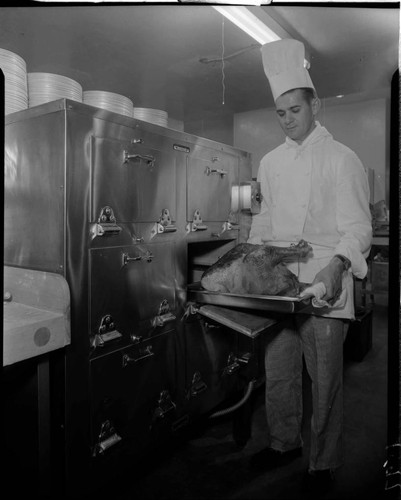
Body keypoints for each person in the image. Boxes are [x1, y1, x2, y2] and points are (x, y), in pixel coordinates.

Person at [247, 39, 372, 494]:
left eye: (294, 111)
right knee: (278, 373)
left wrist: (338, 266)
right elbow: (262, 224)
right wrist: (250, 262)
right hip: (280, 285)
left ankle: (323, 463)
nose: (287, 120)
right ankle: (282, 443)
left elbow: (357, 228)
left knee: (325, 381)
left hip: (324, 284)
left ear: (314, 105)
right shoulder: (270, 162)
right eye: (280, 113)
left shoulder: (343, 159)